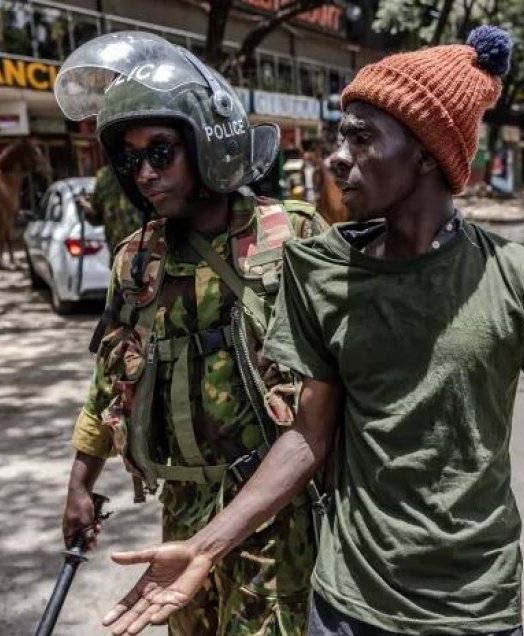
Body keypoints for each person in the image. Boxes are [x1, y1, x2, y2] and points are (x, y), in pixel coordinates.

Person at [101, 26, 524, 636]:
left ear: (426, 154)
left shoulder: (517, 279)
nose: (338, 158)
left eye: (362, 138)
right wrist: (206, 547)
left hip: (474, 611)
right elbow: (308, 436)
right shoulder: (318, 272)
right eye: (342, 135)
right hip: (345, 608)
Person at [54, 32, 327, 634]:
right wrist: (80, 484)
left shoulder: (293, 238)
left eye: (160, 152)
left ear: (209, 141)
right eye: (129, 160)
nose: (145, 174)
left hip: (272, 512)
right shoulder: (137, 258)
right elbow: (109, 380)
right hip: (183, 507)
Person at [86, 163, 145, 259]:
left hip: (147, 254)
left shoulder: (141, 168)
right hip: (118, 255)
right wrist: (88, 211)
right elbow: (97, 217)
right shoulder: (104, 176)